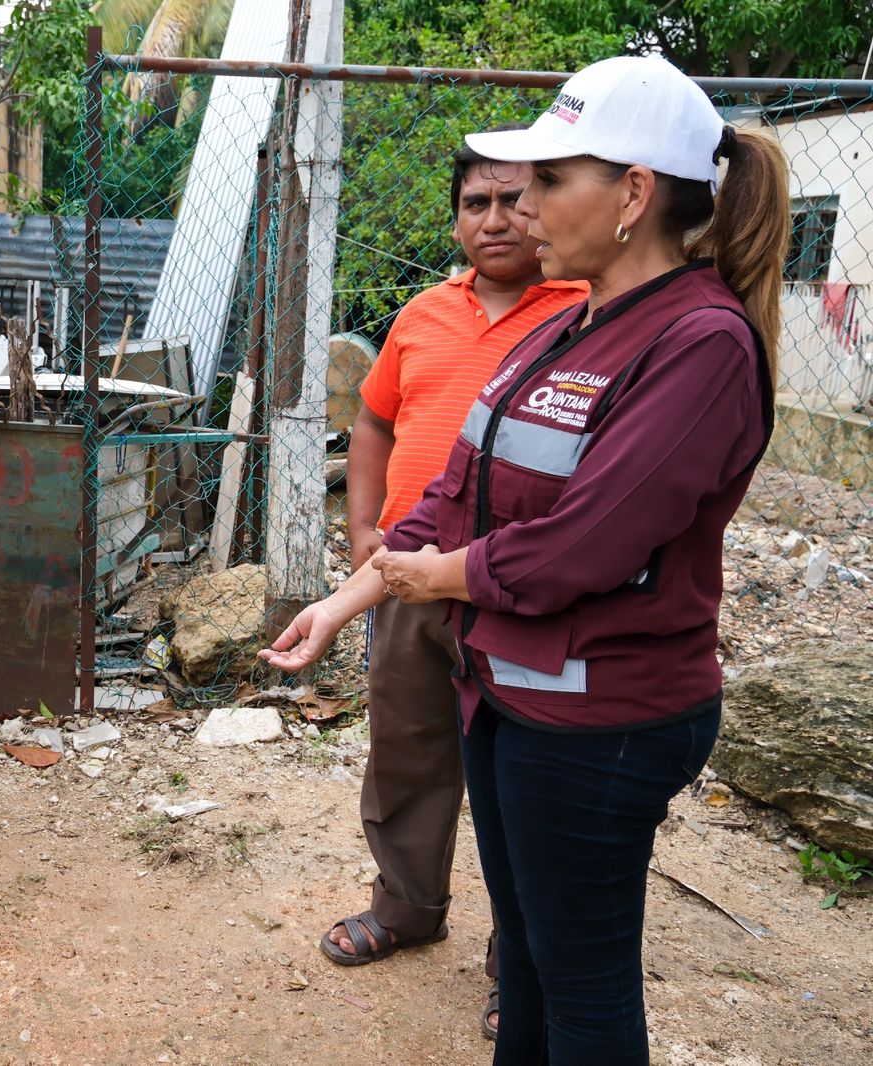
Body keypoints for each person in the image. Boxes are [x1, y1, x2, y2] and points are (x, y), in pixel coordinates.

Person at [262, 54, 788, 1065]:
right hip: (509, 693)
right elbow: (449, 496)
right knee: (534, 967)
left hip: (605, 718)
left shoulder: (701, 341)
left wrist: (439, 580)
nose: (521, 206)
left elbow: (584, 542)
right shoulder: (566, 328)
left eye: (551, 180)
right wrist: (344, 601)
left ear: (633, 194)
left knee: (582, 993)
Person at [327, 139, 587, 1044]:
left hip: (516, 589)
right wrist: (366, 533)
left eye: (517, 200)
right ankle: (407, 904)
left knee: (523, 780)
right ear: (455, 218)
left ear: (551, 206)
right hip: (404, 581)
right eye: (476, 203)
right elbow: (372, 418)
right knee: (406, 748)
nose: (496, 220)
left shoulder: (584, 316)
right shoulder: (423, 315)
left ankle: (518, 965)